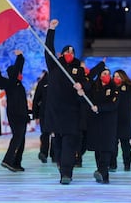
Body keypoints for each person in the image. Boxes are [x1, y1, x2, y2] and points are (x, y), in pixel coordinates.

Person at [44, 18, 86, 185]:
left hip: (72, 112)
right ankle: (62, 167)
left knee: (69, 144)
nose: (70, 54)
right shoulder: (54, 66)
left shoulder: (79, 69)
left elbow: (87, 83)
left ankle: (66, 173)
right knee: (58, 146)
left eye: (72, 52)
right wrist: (51, 30)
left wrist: (82, 86)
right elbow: (48, 50)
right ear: (61, 54)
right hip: (55, 112)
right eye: (66, 52)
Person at [87, 66, 119, 184]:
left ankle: (101, 170)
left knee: (106, 148)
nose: (107, 76)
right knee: (98, 148)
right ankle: (103, 174)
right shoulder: (94, 88)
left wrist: (100, 108)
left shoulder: (114, 89)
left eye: (108, 73)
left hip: (108, 123)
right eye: (104, 73)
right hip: (95, 123)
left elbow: (113, 105)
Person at [1, 50, 29, 172]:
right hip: (15, 115)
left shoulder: (19, 84)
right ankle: (7, 160)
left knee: (21, 139)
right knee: (17, 137)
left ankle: (16, 163)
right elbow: (18, 67)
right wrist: (20, 57)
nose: (20, 74)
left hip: (22, 115)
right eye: (18, 73)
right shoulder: (11, 83)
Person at [32, 70, 54, 163]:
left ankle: (54, 155)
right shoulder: (43, 82)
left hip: (56, 113)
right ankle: (43, 153)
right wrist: (36, 115)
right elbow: (36, 99)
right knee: (45, 134)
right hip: (44, 113)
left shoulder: (59, 80)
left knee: (54, 134)